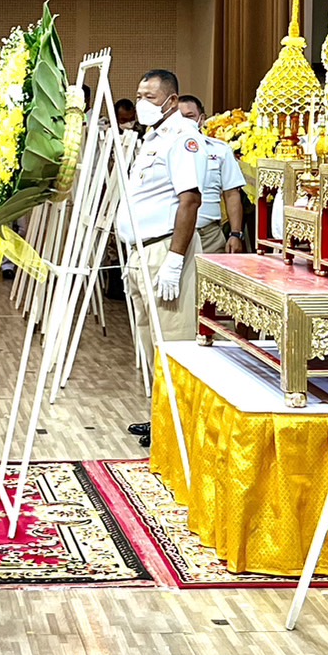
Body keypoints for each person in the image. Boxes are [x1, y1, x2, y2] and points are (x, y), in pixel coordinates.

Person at [117, 70, 205, 447]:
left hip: (165, 250)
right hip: (141, 250)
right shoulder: (151, 137)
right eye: (139, 95)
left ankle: (178, 430)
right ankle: (160, 417)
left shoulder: (184, 137)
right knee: (149, 341)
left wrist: (174, 260)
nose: (142, 103)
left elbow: (190, 200)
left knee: (173, 340)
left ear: (171, 100)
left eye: (150, 97)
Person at [178, 96, 247, 254]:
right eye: (179, 117)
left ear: (201, 119)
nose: (184, 123)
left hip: (209, 237)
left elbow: (231, 194)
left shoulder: (220, 150)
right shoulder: (162, 151)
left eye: (189, 116)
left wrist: (236, 234)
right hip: (172, 236)